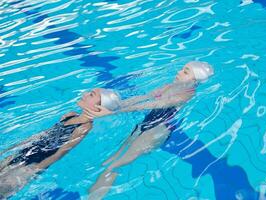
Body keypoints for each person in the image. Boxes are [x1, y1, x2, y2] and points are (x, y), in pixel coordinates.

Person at [88, 61, 214, 199]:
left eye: (185, 71)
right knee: (111, 158)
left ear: (194, 80)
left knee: (115, 166)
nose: (179, 72)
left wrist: (114, 113)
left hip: (158, 130)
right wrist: (117, 106)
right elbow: (145, 97)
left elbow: (156, 104)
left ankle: (94, 196)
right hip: (146, 121)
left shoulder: (188, 94)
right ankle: (93, 183)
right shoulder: (169, 86)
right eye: (182, 68)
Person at [0, 88, 121, 199]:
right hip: (25, 151)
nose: (85, 94)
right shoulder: (71, 115)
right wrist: (11, 149)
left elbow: (61, 152)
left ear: (97, 108)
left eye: (91, 95)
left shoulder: (84, 127)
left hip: (35, 162)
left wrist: (36, 169)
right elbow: (44, 134)